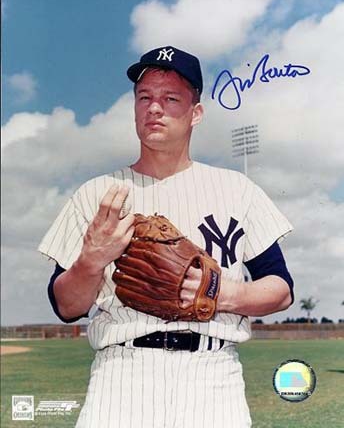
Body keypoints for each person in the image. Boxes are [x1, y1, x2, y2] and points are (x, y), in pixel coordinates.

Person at [38, 45, 294, 428]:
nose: (154, 108)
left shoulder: (237, 190)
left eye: (171, 98)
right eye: (145, 98)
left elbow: (282, 289)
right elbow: (66, 306)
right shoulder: (97, 194)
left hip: (213, 377)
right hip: (121, 375)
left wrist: (225, 294)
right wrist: (92, 261)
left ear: (196, 113)